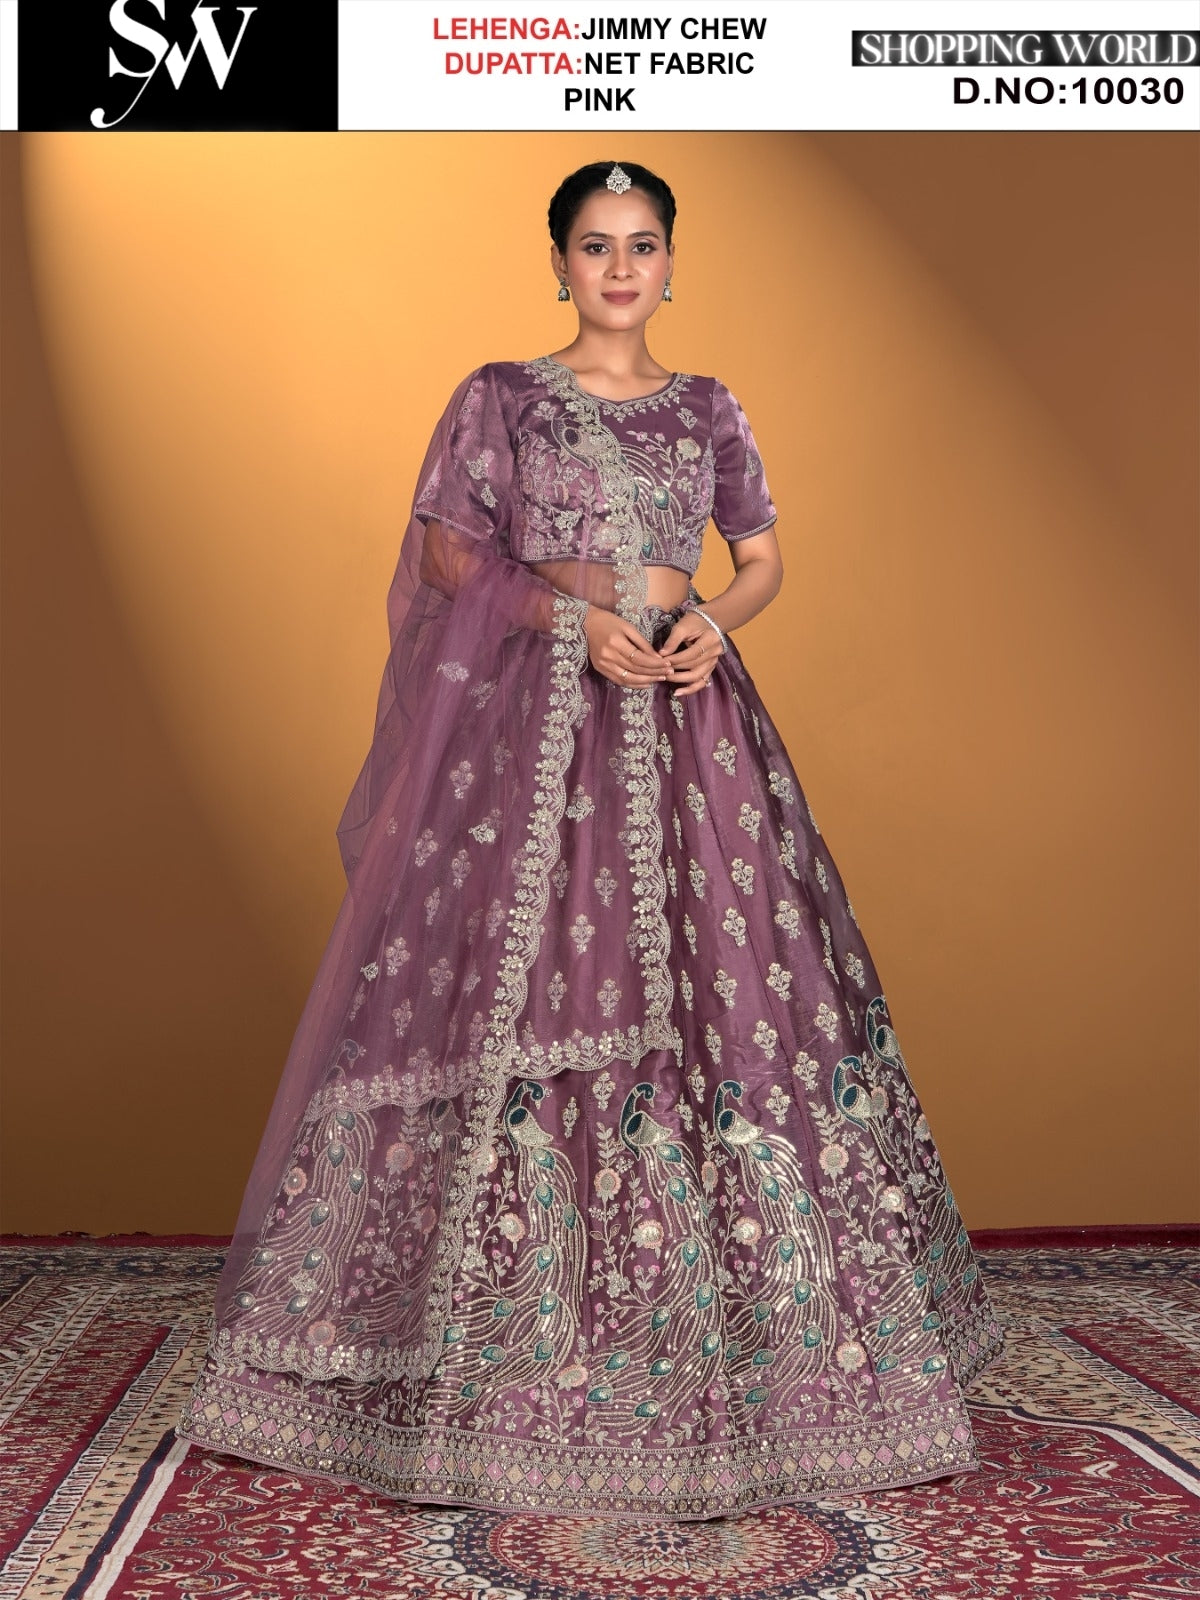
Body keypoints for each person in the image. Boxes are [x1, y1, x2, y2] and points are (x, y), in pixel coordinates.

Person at [178, 160, 1004, 1520]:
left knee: (731, 989)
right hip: (540, 717)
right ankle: (491, 1348)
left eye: (643, 245)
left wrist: (713, 624)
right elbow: (448, 555)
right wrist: (572, 624)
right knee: (527, 984)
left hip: (686, 710)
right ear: (557, 262)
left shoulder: (708, 406)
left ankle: (756, 1339)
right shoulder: (501, 397)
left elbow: (762, 555)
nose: (620, 268)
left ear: (673, 263)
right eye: (595, 245)